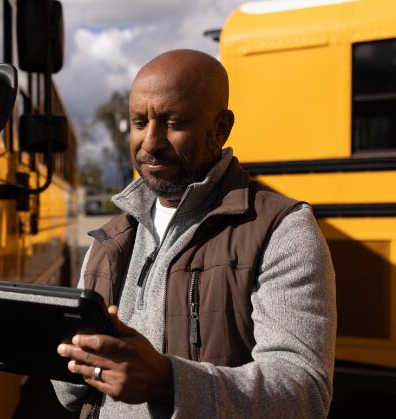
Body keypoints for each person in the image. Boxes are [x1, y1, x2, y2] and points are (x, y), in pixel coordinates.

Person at [52, 49, 336, 418]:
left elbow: (304, 393)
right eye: (139, 122)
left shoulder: (282, 229)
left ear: (221, 128)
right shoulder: (110, 238)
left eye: (173, 123)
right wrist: (61, 355)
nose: (150, 143)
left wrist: (167, 381)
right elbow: (71, 395)